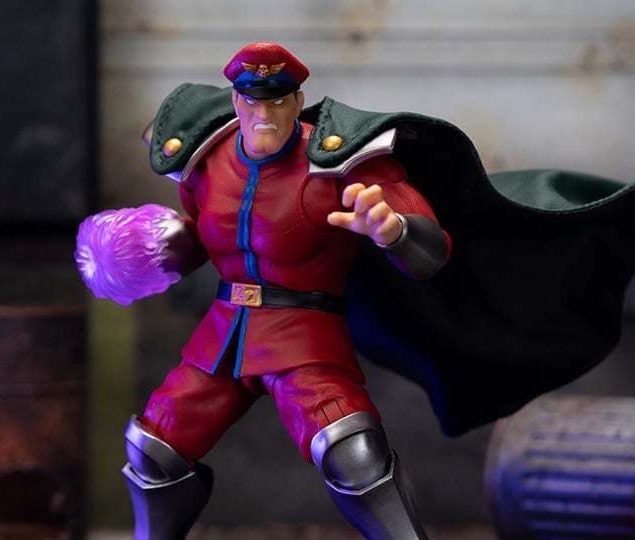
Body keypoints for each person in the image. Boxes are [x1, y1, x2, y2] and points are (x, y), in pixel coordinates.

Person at [77, 41, 635, 540]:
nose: (263, 114)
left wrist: (393, 230)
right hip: (222, 334)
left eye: (278, 100)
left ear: (297, 101)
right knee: (152, 449)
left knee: (354, 454)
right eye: (251, 100)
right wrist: (147, 247)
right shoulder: (207, 160)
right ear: (235, 101)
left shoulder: (343, 162)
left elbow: (430, 250)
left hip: (301, 334)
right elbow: (203, 237)